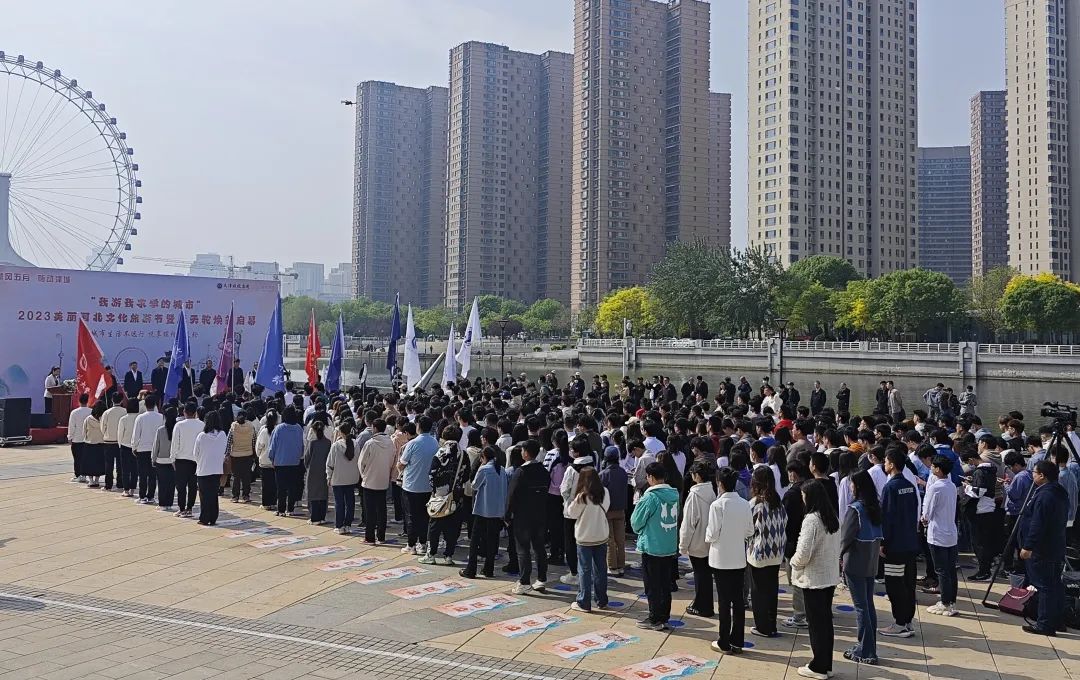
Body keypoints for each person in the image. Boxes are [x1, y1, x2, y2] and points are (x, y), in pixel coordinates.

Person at [790, 479, 842, 680]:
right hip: (828, 577)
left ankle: (818, 666)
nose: (802, 499)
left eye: (804, 496)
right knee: (825, 623)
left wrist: (794, 562)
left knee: (816, 624)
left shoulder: (812, 520)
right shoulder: (832, 517)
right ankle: (826, 664)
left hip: (814, 579)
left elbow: (804, 552)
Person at [705, 467, 753, 655]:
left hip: (721, 559)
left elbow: (712, 534)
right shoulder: (744, 504)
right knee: (738, 601)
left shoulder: (717, 505)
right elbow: (749, 531)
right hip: (738, 558)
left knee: (724, 602)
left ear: (720, 484)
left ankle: (724, 641)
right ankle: (737, 640)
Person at [1019, 459, 1070, 636]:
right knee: (1055, 584)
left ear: (1042, 475)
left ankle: (1045, 624)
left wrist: (1028, 546)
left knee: (1045, 586)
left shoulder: (1045, 495)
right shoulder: (1059, 492)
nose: (1032, 475)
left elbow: (1038, 523)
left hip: (1042, 548)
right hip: (1055, 545)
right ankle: (1057, 620)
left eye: (1034, 472)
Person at [630, 461, 680, 631]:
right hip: (669, 545)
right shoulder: (674, 494)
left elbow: (636, 522)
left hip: (652, 546)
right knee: (665, 584)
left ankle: (654, 618)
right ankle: (664, 617)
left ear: (651, 477)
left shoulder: (650, 497)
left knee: (652, 585)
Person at [840, 471, 883, 665]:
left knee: (861, 607)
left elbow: (845, 538)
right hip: (871, 560)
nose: (850, 487)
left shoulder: (855, 509)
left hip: (855, 560)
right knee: (868, 605)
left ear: (857, 486)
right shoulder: (875, 506)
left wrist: (839, 557)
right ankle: (869, 647)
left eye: (851, 484)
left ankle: (865, 651)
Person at [879, 448, 920, 639]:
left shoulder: (890, 488)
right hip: (910, 543)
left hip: (895, 546)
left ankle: (900, 623)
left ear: (892, 464)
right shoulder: (909, 486)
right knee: (908, 584)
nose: (884, 464)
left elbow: (887, 518)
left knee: (895, 585)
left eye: (886, 461)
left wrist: (883, 542)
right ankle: (907, 620)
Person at [420, 426, 470, 566]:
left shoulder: (440, 453)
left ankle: (431, 554)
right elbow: (467, 474)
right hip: (456, 495)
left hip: (440, 494)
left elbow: (432, 474)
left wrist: (435, 489)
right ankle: (449, 555)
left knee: (434, 525)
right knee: (453, 526)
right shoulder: (463, 454)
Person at [506, 439, 550, 594]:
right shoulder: (543, 470)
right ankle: (541, 579)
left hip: (523, 515)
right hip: (540, 514)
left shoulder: (521, 472)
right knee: (539, 547)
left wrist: (507, 515)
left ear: (525, 453)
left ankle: (524, 581)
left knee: (523, 548)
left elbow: (511, 495)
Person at [747, 466, 787, 638]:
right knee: (772, 590)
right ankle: (772, 624)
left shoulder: (755, 504)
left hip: (759, 553)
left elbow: (747, 529)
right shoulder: (778, 502)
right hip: (776, 552)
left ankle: (762, 627)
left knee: (758, 591)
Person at [566, 467, 611, 612]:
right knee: (601, 569)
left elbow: (571, 513)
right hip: (601, 535)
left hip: (585, 537)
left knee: (584, 570)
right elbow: (606, 508)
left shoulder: (582, 496)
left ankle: (584, 602)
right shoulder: (605, 492)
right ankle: (601, 600)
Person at [462, 445, 510, 579]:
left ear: (483, 457)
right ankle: (489, 569)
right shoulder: (501, 469)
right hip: (497, 511)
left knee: (475, 540)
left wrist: (479, 468)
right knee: (492, 540)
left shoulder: (484, 469)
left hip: (483, 510)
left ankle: (471, 569)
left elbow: (474, 485)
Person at [680, 459, 718, 618]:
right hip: (710, 541)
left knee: (700, 575)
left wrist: (683, 545)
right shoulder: (712, 491)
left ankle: (702, 606)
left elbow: (688, 523)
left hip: (697, 541)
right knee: (706, 575)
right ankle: (704, 604)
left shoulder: (694, 495)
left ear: (696, 476)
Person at [922, 455, 959, 617]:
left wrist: (923, 519)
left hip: (937, 533)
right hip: (950, 532)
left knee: (941, 570)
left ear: (938, 469)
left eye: (933, 466)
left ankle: (945, 602)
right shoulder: (951, 485)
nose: (931, 468)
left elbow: (928, 512)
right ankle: (951, 601)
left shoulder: (935, 487)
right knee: (950, 569)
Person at [399, 415, 439, 556]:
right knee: (425, 516)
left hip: (412, 486)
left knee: (411, 517)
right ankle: (423, 543)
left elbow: (402, 464)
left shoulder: (413, 443)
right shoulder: (435, 442)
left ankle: (411, 545)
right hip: (428, 486)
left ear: (419, 427)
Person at [358, 418, 395, 543]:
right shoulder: (390, 443)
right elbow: (392, 461)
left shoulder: (370, 443)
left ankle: (370, 537)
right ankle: (381, 536)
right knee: (382, 510)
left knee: (370, 510)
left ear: (374, 428)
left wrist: (364, 474)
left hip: (369, 480)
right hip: (383, 479)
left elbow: (361, 462)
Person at [782, 461, 810, 629]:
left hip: (793, 541)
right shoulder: (811, 488)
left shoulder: (791, 494)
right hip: (807, 539)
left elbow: (786, 521)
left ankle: (800, 615)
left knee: (796, 580)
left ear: (793, 474)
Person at [268, 406, 305, 517]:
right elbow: (302, 446)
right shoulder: (299, 428)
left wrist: (272, 458)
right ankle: (291, 509)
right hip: (294, 462)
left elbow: (272, 446)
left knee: (281, 488)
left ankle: (281, 509)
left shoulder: (279, 428)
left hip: (280, 462)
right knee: (292, 487)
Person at [192, 411, 227, 525]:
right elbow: (224, 450)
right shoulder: (222, 434)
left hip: (203, 469)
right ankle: (213, 517)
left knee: (204, 495)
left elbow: (195, 453)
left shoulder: (202, 436)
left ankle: (204, 518)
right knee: (213, 494)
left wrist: (200, 462)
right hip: (217, 469)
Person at [600, 446, 629, 577]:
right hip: (621, 509)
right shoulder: (623, 472)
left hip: (607, 510)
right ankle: (621, 565)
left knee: (610, 540)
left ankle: (612, 566)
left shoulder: (603, 474)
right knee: (620, 540)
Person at [327, 422, 360, 534]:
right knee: (350, 502)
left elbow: (330, 463)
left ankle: (339, 525)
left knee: (339, 503)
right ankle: (348, 525)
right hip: (352, 478)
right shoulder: (356, 444)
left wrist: (328, 476)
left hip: (338, 478)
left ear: (340, 432)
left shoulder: (336, 445)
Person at [170, 402, 202, 517]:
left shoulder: (179, 425)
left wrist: (172, 458)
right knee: (193, 486)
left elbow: (175, 443)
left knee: (181, 486)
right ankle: (189, 508)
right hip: (195, 460)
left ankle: (182, 508)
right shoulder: (202, 425)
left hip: (181, 459)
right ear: (195, 412)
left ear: (184, 412)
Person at [304, 420, 332, 524]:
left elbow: (306, 458)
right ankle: (322, 517)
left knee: (313, 494)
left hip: (313, 471)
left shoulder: (312, 442)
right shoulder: (328, 442)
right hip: (324, 471)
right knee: (323, 494)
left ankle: (315, 517)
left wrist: (307, 468)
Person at [151, 406, 177, 512]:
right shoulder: (177, 429)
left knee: (162, 483)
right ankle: (169, 503)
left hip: (161, 460)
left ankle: (162, 503)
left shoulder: (160, 430)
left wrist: (153, 458)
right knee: (171, 483)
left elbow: (156, 446)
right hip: (173, 461)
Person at [227, 410, 257, 503]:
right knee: (246, 476)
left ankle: (235, 496)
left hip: (235, 455)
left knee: (236, 476)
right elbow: (254, 441)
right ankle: (246, 495)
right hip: (248, 454)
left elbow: (229, 442)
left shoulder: (233, 427)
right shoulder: (251, 427)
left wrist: (227, 454)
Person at [101, 393, 127, 492]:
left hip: (108, 441)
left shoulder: (107, 412)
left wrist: (107, 434)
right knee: (120, 464)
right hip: (121, 442)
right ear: (122, 400)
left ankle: (108, 485)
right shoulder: (125, 411)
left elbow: (102, 427)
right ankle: (120, 483)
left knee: (108, 464)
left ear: (112, 400)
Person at [115, 399, 139, 494]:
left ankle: (126, 490)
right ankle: (133, 488)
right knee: (134, 469)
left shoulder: (123, 419)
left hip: (125, 446)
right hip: (137, 447)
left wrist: (120, 445)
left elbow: (120, 434)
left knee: (125, 469)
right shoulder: (139, 417)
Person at [81, 401, 107, 488]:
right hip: (101, 444)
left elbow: (84, 432)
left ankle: (91, 481)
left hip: (90, 444)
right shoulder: (104, 420)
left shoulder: (88, 419)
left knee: (89, 464)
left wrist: (86, 438)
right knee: (99, 463)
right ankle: (97, 480)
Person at [256, 409, 278, 510]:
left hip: (264, 461)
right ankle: (273, 502)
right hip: (275, 461)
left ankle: (265, 503)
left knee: (265, 484)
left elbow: (259, 446)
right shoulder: (278, 430)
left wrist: (258, 454)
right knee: (274, 483)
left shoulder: (264, 431)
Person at [67, 393, 92, 483]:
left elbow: (71, 426)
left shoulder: (74, 412)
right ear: (87, 401)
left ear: (79, 401)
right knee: (86, 458)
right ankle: (85, 475)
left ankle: (78, 475)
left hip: (77, 439)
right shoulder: (91, 411)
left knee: (77, 458)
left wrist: (70, 437)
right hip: (88, 439)